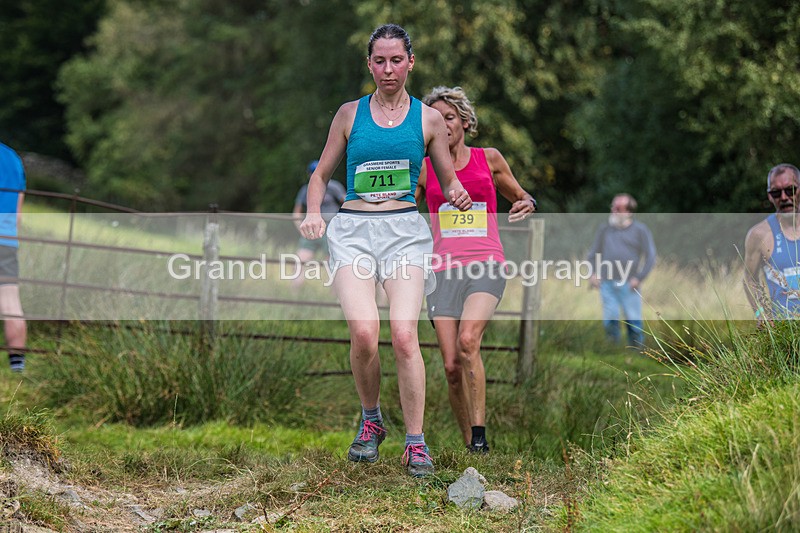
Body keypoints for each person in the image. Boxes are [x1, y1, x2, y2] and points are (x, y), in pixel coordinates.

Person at [299, 24, 472, 477]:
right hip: (354, 230)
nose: (388, 69)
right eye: (380, 61)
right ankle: (372, 420)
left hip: (404, 233)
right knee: (363, 332)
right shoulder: (349, 114)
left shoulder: (429, 120)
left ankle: (416, 442)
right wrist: (314, 212)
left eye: (396, 60)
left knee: (403, 335)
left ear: (410, 62)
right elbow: (320, 175)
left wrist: (457, 194)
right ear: (369, 64)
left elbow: (448, 179)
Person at [414, 86, 536, 453]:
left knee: (468, 341)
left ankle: (480, 438)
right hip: (442, 271)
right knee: (452, 367)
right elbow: (400, 211)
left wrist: (526, 203)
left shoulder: (490, 159)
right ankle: (469, 443)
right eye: (436, 120)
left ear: (465, 122)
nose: (443, 125)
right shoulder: (424, 168)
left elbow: (522, 195)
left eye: (449, 118)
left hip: (486, 263)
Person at [587, 193, 656, 348]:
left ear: (629, 212)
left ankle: (637, 353)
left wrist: (639, 278)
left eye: (618, 208)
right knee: (610, 320)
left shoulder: (640, 230)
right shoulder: (605, 230)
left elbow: (651, 256)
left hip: (629, 283)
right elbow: (592, 255)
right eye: (613, 207)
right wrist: (593, 274)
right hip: (607, 283)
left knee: (634, 322)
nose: (613, 211)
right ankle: (613, 352)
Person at [743, 163, 800, 324]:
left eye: (790, 190)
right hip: (783, 330)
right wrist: (761, 312)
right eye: (776, 193)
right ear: (769, 196)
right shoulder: (759, 235)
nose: (784, 197)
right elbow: (749, 279)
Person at [291, 160, 346, 289]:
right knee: (299, 262)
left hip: (330, 230)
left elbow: (346, 205)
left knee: (332, 265)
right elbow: (296, 213)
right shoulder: (305, 190)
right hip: (312, 229)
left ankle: (336, 296)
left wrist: (341, 227)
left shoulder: (334, 187)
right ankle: (294, 294)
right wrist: (301, 228)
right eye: (312, 172)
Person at [0, 142, 27, 373]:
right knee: (10, 300)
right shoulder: (13, 159)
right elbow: (18, 215)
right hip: (6, 240)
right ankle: (17, 366)